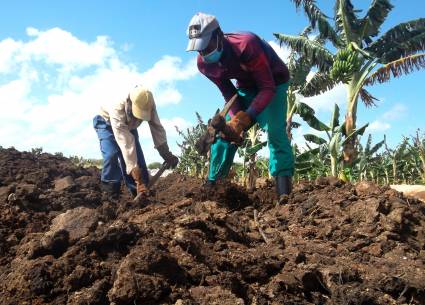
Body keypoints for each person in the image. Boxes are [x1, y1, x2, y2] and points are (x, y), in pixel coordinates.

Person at [186, 12, 294, 199]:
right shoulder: (204, 64)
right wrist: (235, 123)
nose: (203, 53)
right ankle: (213, 190)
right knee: (221, 137)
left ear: (219, 36)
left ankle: (284, 195)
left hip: (273, 83)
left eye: (207, 46)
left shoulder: (246, 45)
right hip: (245, 87)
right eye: (199, 49)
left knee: (276, 133)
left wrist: (245, 120)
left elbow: (267, 88)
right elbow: (229, 93)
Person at [93, 85, 179, 199]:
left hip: (129, 125)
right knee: (111, 155)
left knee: (137, 158)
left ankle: (139, 194)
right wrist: (138, 180)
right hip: (106, 122)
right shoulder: (117, 107)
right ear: (130, 103)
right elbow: (126, 145)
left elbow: (157, 128)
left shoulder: (149, 103)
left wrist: (165, 153)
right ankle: (110, 194)